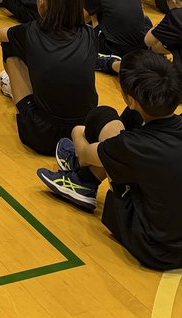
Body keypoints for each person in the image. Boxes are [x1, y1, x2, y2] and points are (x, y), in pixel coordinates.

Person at [37, 50, 182, 270]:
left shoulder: (132, 146)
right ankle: (82, 180)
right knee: (128, 123)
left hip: (154, 248)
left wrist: (78, 132)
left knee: (102, 116)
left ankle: (83, 181)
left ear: (131, 99)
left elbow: (86, 154)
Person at [0, 0, 98, 154]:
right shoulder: (90, 34)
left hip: (43, 135)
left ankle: (15, 88)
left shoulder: (30, 31)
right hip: (84, 131)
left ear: (42, 1)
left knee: (9, 45)